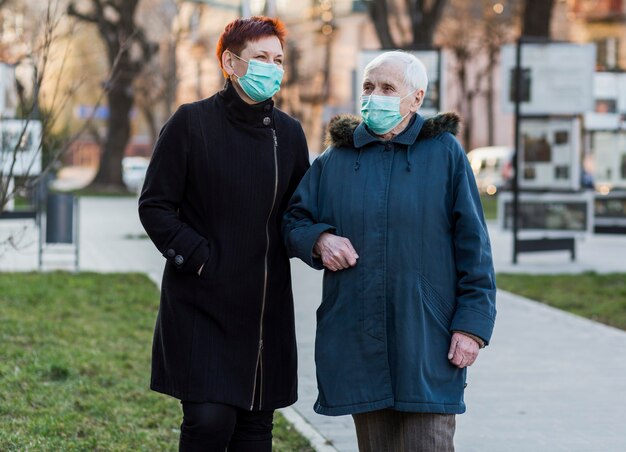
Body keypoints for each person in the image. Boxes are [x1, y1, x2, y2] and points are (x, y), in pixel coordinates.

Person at [283, 51, 496, 452]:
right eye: (368, 87)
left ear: (416, 99)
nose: (374, 96)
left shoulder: (445, 154)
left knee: (428, 444)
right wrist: (319, 239)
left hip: (427, 338)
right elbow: (293, 220)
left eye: (386, 88)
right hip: (359, 337)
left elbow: (475, 248)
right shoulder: (336, 159)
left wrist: (472, 327)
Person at [138, 16, 310, 452]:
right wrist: (199, 257)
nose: (272, 67)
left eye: (278, 59)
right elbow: (155, 205)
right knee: (208, 422)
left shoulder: (289, 134)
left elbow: (299, 212)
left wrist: (322, 239)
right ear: (230, 63)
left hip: (264, 311)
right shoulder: (190, 123)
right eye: (260, 58)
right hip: (202, 303)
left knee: (255, 432)